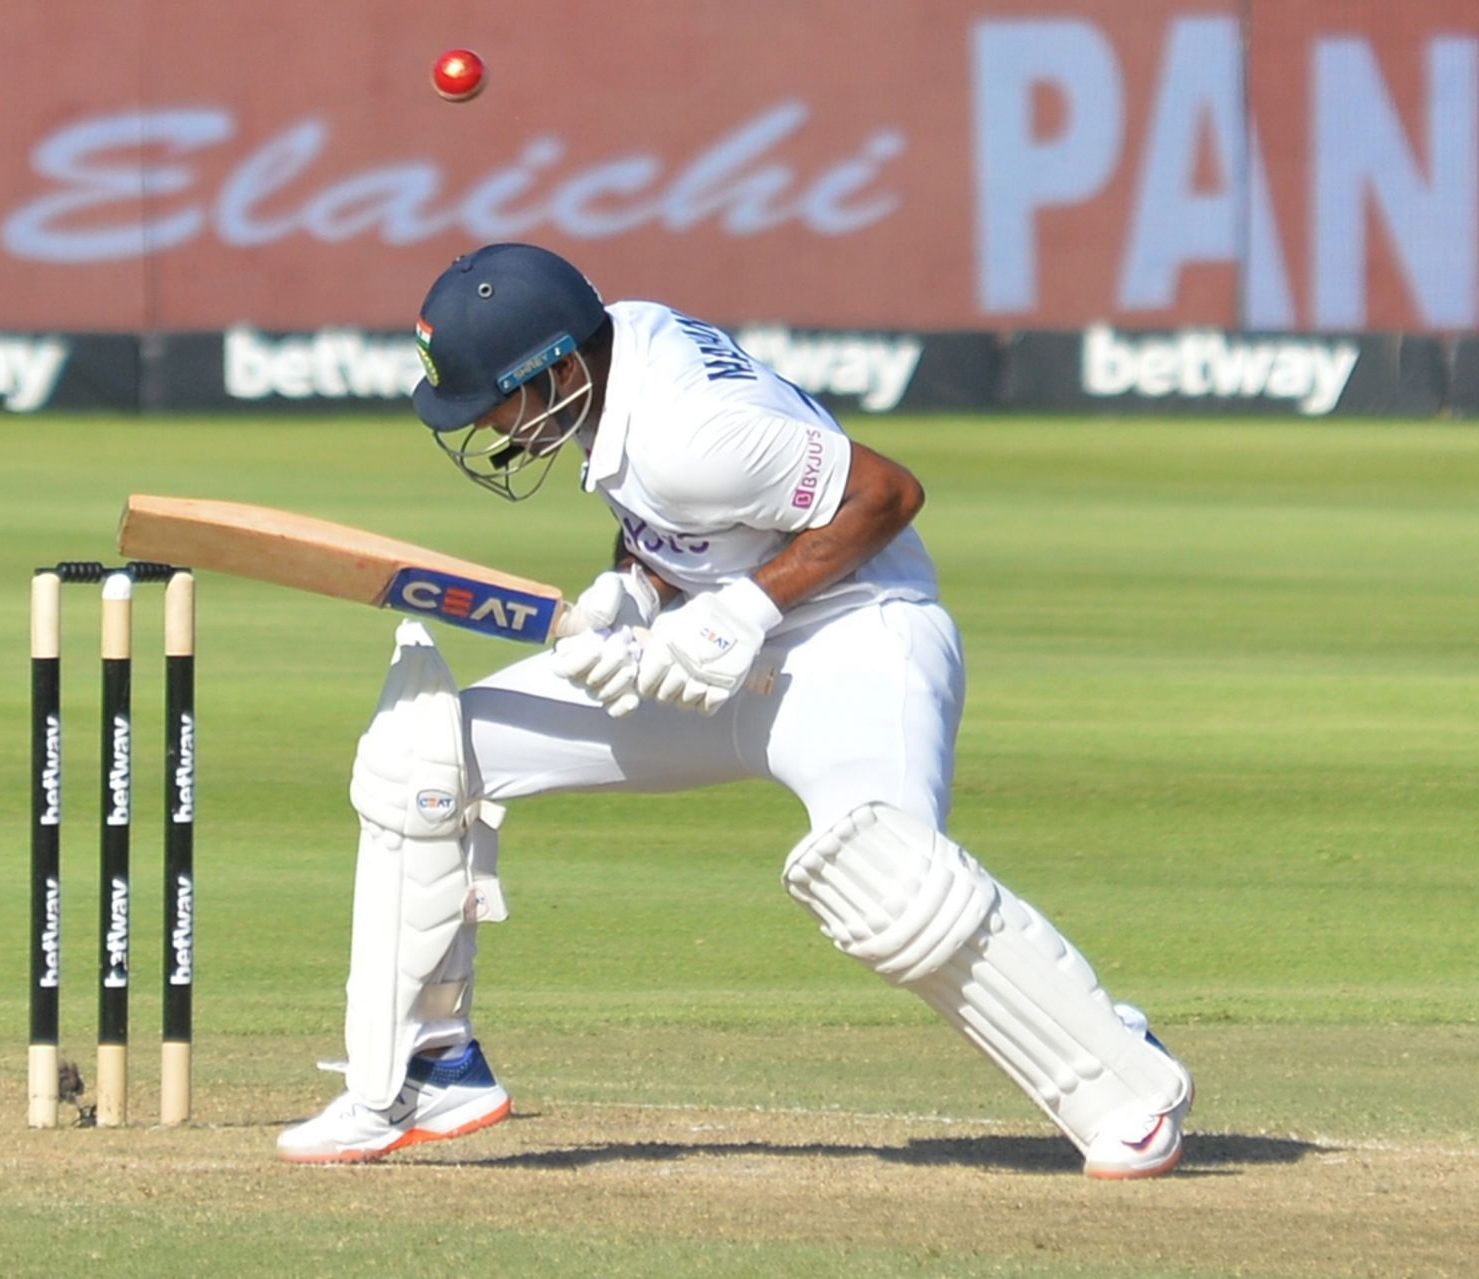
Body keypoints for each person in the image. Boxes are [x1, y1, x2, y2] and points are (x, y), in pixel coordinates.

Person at [275, 242, 1193, 1177]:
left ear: (551, 369)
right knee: (426, 748)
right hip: (710, 650)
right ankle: (431, 1066)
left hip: (857, 642)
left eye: (495, 402)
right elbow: (681, 526)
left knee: (889, 880)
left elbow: (887, 492)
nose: (492, 428)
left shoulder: (690, 430)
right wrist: (631, 594)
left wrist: (743, 611)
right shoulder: (612, 357)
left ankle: (1121, 1078)